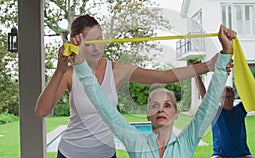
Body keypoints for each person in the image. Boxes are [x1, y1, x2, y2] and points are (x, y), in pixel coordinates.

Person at [35, 14, 234, 158]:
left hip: (105, 153)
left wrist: (208, 66)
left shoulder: (117, 70)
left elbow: (165, 76)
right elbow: (43, 110)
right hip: (72, 152)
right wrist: (61, 69)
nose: (97, 48)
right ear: (78, 45)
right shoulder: (71, 73)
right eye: (89, 43)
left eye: (100, 40)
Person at [196, 60, 255, 158]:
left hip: (243, 154)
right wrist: (197, 75)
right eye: (225, 97)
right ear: (219, 99)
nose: (228, 100)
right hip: (220, 155)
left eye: (230, 96)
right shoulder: (216, 112)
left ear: (234, 97)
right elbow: (204, 96)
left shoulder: (240, 110)